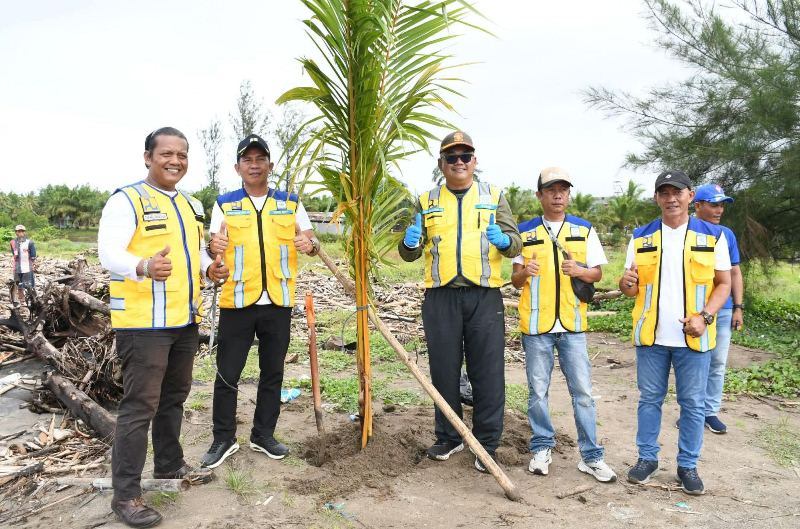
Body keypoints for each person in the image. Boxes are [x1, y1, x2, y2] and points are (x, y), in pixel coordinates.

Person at [98, 127, 229, 528]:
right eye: (167, 154)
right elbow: (108, 253)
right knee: (139, 408)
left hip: (184, 321)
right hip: (143, 326)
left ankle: (170, 467)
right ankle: (127, 496)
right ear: (147, 157)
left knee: (174, 398)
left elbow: (194, 257)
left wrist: (212, 267)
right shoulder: (127, 200)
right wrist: (142, 267)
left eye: (183, 155)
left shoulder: (191, 204)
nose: (175, 161)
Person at [399, 131, 521, 473]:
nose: (459, 163)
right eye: (451, 158)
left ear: (475, 161)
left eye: (465, 156)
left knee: (488, 371)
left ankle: (486, 443)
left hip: (484, 295)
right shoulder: (426, 200)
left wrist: (504, 240)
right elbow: (409, 253)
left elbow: (515, 244)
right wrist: (409, 243)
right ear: (441, 164)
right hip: (440, 296)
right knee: (444, 369)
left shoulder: (493, 196)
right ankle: (449, 436)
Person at [200, 134, 319, 469]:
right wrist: (213, 249)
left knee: (273, 373)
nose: (254, 165)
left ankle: (263, 434)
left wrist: (308, 244)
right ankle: (223, 439)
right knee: (228, 374)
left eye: (260, 159)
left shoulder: (290, 203)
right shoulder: (225, 203)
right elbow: (213, 247)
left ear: (270, 164)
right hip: (237, 301)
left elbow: (310, 240)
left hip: (278, 301)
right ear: (238, 167)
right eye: (247, 160)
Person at [620, 170, 731, 496]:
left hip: (694, 338)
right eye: (664, 193)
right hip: (652, 338)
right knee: (649, 400)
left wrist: (706, 317)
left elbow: (723, 284)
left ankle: (688, 466)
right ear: (657, 198)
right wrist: (626, 285)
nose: (671, 198)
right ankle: (647, 459)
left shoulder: (714, 236)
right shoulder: (641, 237)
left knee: (694, 405)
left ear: (690, 195)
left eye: (677, 192)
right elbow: (630, 285)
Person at [512, 167, 616, 482]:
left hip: (572, 325)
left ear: (568, 194)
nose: (558, 195)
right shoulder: (525, 232)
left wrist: (580, 270)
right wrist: (524, 271)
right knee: (538, 392)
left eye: (563, 190)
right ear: (539, 195)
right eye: (552, 190)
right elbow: (515, 281)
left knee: (583, 392)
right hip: (537, 327)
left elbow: (597, 274)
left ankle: (591, 457)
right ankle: (542, 448)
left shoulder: (584, 230)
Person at [692, 184, 744, 434]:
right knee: (691, 363)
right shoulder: (685, 231)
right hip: (692, 310)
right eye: (713, 204)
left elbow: (734, 272)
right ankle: (691, 412)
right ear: (697, 205)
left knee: (717, 363)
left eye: (721, 205)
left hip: (721, 311)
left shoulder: (726, 234)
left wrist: (737, 307)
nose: (719, 209)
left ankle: (709, 412)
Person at [10, 224, 36, 306]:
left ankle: (32, 300)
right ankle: (22, 300)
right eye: (18, 231)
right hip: (17, 267)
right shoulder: (12, 242)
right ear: (16, 232)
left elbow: (33, 256)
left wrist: (32, 264)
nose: (20, 233)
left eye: (22, 231)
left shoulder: (30, 242)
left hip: (27, 267)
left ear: (24, 232)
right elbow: (13, 254)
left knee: (29, 284)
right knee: (18, 284)